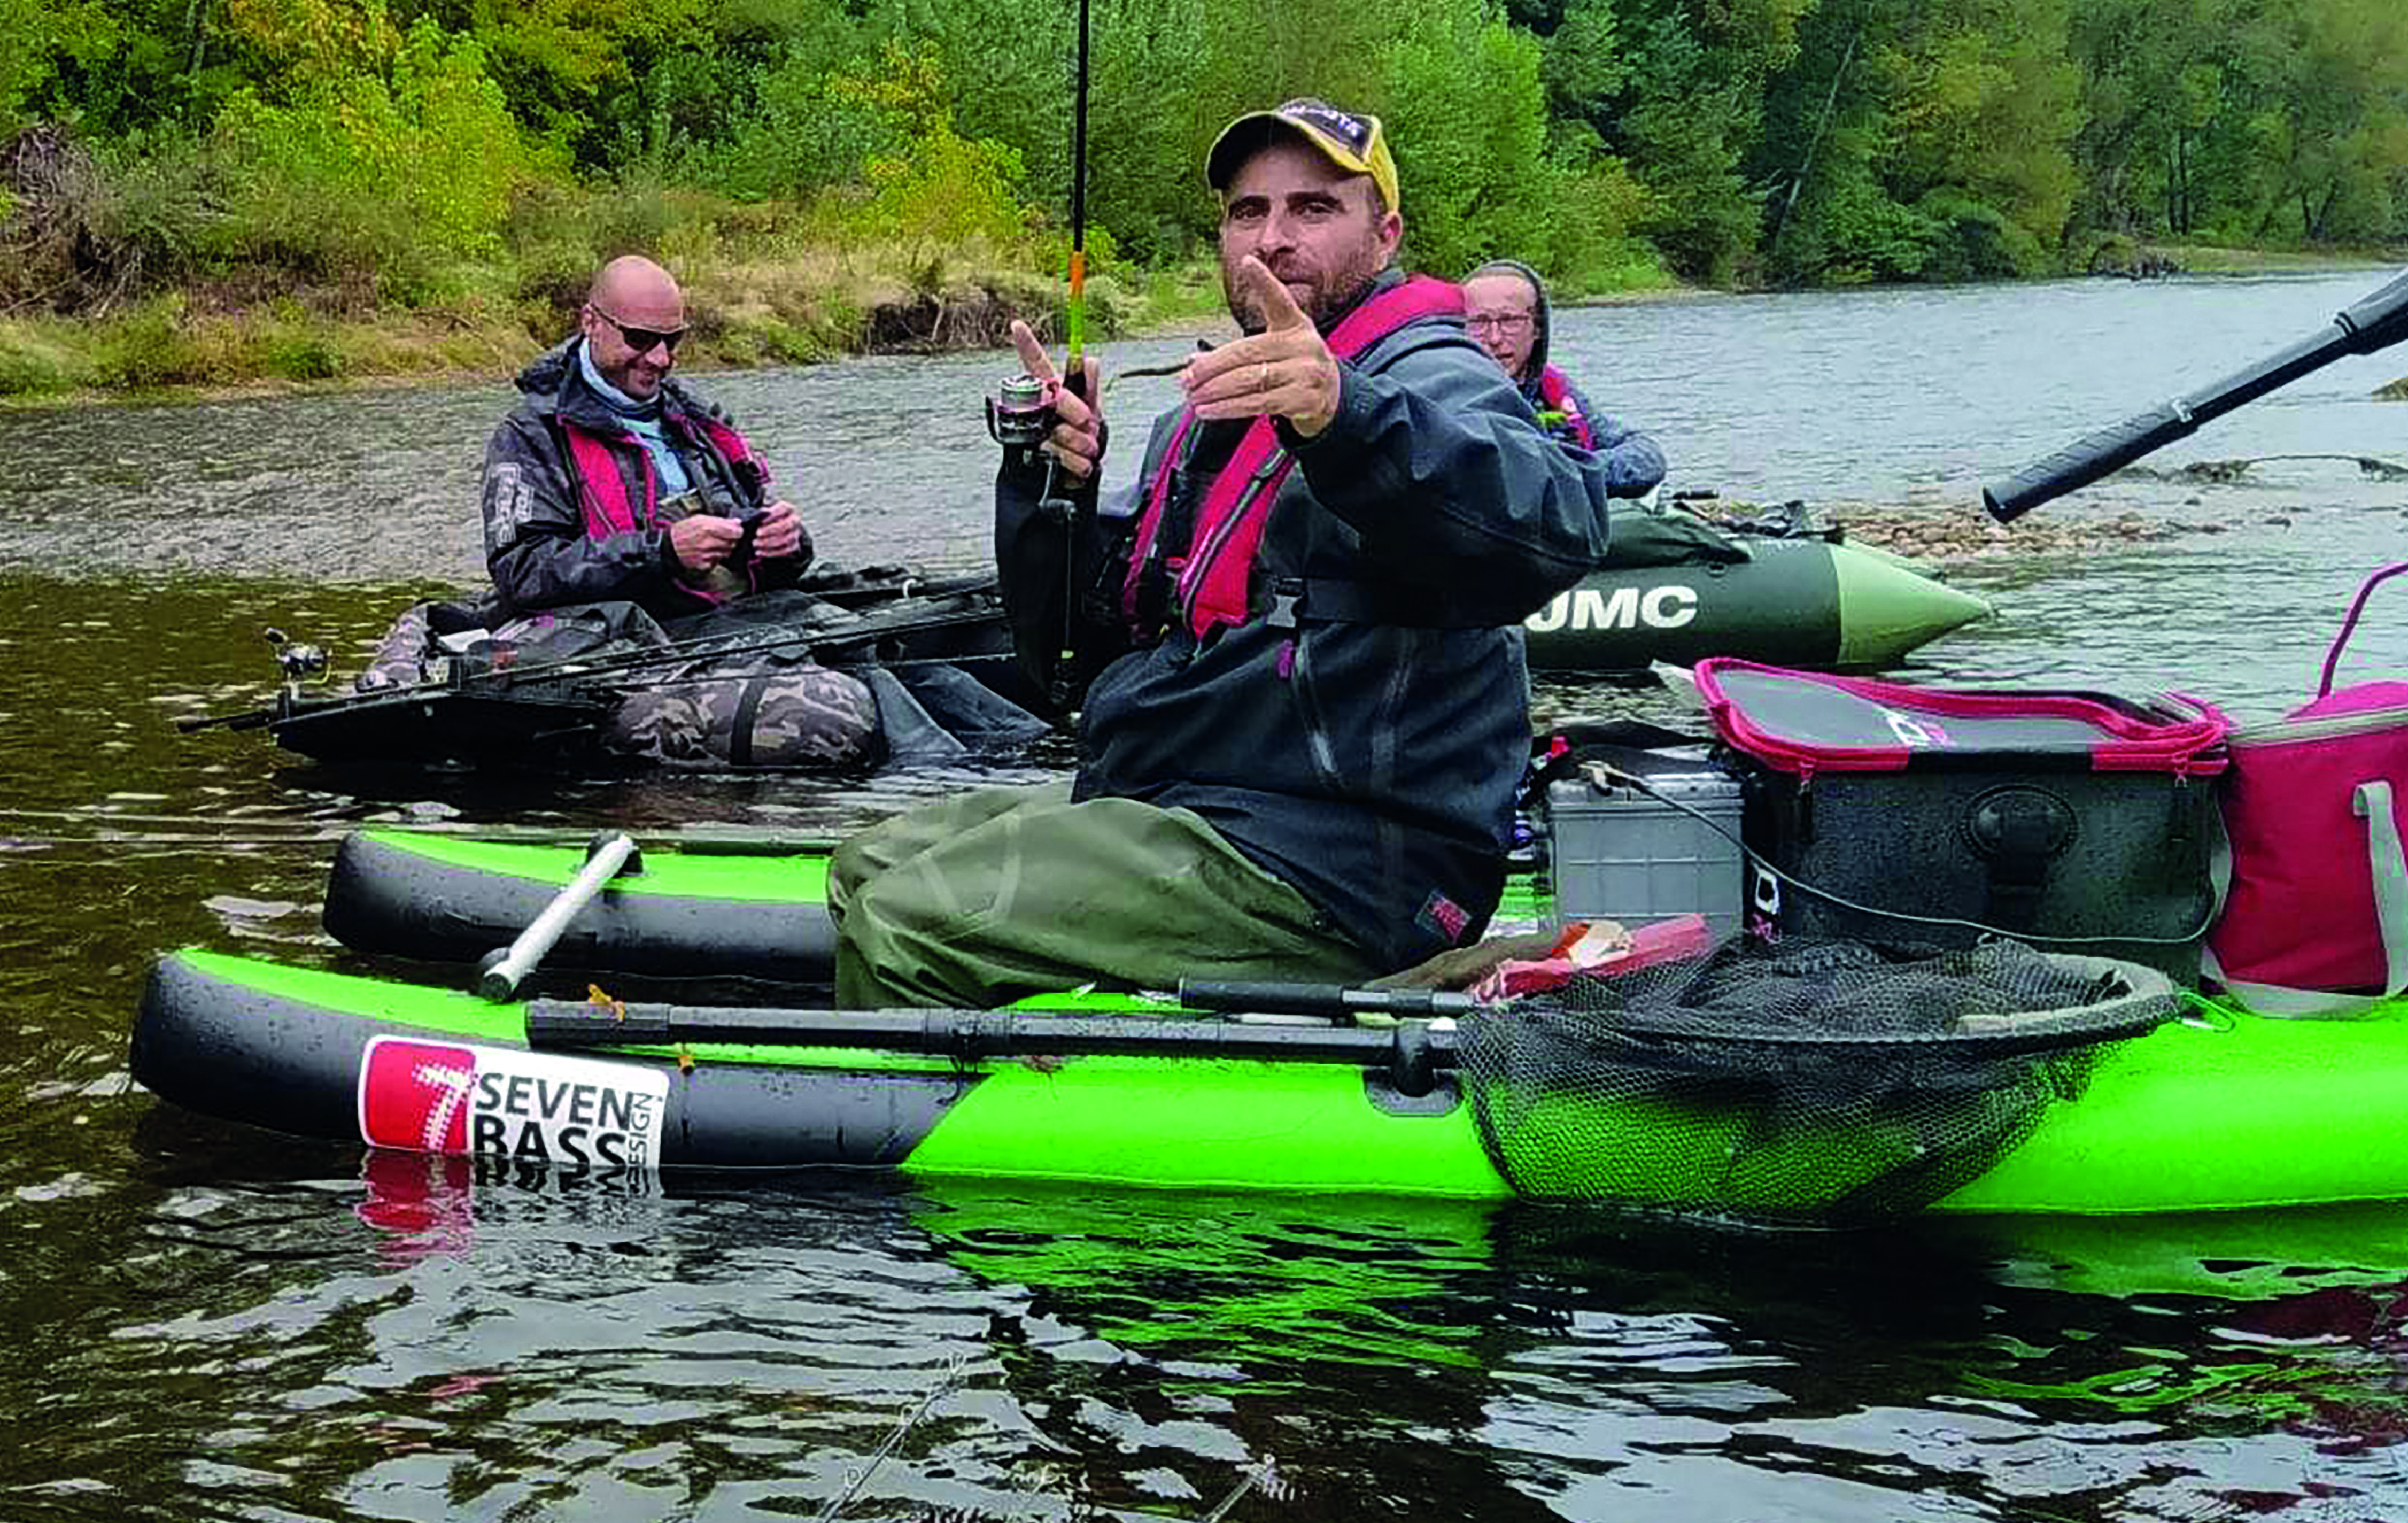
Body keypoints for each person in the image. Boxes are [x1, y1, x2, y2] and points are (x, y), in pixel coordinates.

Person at [830, 98, 1603, 1006]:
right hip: (1196, 800)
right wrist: (1054, 492)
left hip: (1342, 862)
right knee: (862, 864)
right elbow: (1074, 669)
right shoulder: (1202, 421)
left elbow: (1558, 527)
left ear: (1384, 236)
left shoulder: (1428, 375)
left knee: (901, 924)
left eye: (1312, 208)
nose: (1272, 238)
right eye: (1247, 212)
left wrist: (1344, 414)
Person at [481, 256, 814, 621]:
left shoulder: (702, 420)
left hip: (736, 619)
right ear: (591, 322)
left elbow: (768, 539)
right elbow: (522, 572)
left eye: (672, 340)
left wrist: (788, 544)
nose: (660, 358)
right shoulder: (530, 436)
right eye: (639, 338)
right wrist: (662, 552)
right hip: (631, 635)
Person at [1458, 260, 1668, 499]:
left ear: (1537, 328)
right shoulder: (1443, 398)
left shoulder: (1553, 389)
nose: (1495, 338)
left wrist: (1571, 472)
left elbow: (1647, 456)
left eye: (1510, 321)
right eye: (1479, 322)